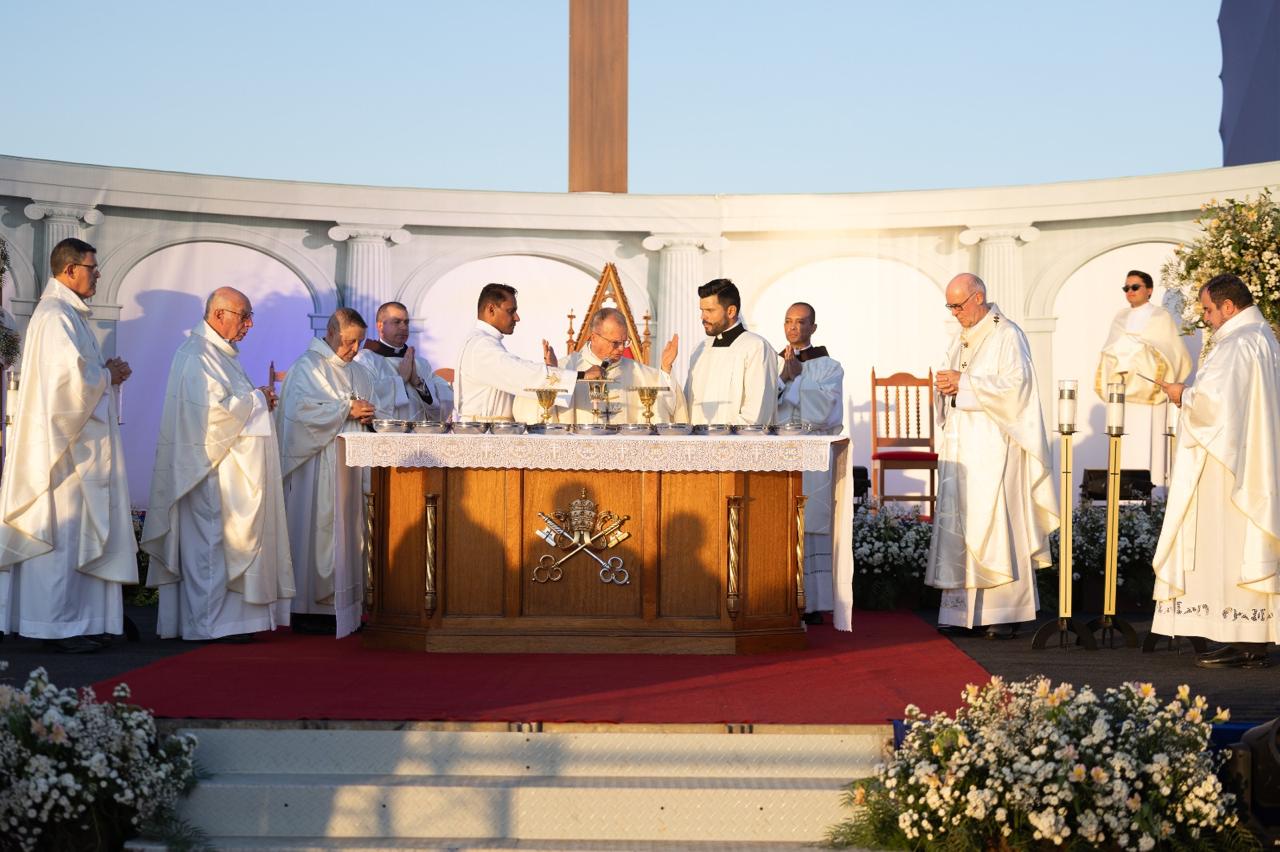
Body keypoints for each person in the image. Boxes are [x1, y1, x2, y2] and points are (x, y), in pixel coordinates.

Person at [0, 238, 137, 653]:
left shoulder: (68, 314)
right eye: (92, 268)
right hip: (61, 452)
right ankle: (55, 626)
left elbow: (77, 377)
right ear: (69, 269)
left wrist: (103, 373)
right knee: (62, 535)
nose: (98, 275)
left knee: (75, 535)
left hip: (75, 445)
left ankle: (82, 620)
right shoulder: (56, 315)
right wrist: (107, 375)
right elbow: (68, 386)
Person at [141, 287, 295, 642]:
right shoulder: (196, 355)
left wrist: (257, 400)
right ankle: (209, 625)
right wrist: (256, 400)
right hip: (207, 470)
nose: (249, 324)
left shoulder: (219, 354)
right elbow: (211, 417)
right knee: (209, 547)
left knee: (221, 546)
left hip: (226, 467)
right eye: (244, 316)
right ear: (219, 314)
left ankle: (229, 622)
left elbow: (230, 405)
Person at [1152, 274, 1279, 669]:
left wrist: (1182, 394)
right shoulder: (1263, 338)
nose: (1205, 318)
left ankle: (1245, 640)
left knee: (1229, 546)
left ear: (1228, 306)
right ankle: (1244, 637)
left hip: (1229, 466)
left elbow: (1216, 405)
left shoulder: (1239, 342)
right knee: (1237, 548)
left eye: (1208, 310)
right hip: (1247, 460)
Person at [925, 273, 1058, 639]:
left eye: (958, 305)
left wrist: (963, 384)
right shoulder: (962, 338)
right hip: (962, 445)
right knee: (963, 523)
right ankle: (961, 613)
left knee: (995, 523)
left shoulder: (1007, 334)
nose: (954, 313)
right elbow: (955, 385)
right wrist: (945, 388)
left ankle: (1003, 611)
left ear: (978, 297)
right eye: (950, 306)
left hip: (995, 445)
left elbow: (1018, 388)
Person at [277, 308, 376, 638]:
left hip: (352, 464)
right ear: (332, 333)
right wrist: (346, 409)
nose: (354, 350)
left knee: (352, 532)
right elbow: (298, 414)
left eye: (360, 342)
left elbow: (371, 408)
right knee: (318, 531)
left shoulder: (359, 371)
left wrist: (368, 415)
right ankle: (309, 609)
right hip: (317, 467)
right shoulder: (308, 367)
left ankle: (347, 607)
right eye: (349, 342)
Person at [776, 302, 845, 624]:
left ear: (813, 328)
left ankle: (813, 603)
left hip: (812, 452)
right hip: (778, 453)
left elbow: (825, 410)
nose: (794, 327)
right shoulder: (772, 362)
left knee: (812, 522)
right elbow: (761, 404)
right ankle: (778, 595)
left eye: (801, 322)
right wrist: (781, 380)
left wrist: (799, 379)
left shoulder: (830, 366)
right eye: (789, 321)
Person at [453, 283, 601, 421]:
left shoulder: (483, 342)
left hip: (491, 428)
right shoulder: (481, 345)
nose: (517, 318)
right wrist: (580, 375)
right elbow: (520, 372)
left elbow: (514, 381)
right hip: (482, 431)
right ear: (491, 309)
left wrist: (551, 370)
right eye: (511, 311)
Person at [514, 307, 686, 424]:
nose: (621, 349)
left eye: (625, 342)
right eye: (615, 343)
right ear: (594, 337)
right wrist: (552, 377)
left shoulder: (641, 374)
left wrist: (665, 369)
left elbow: (670, 407)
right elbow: (530, 411)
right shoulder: (567, 368)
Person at [685, 278, 778, 426]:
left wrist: (722, 435)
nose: (703, 317)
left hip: (735, 438)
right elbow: (688, 403)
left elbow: (757, 412)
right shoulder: (700, 349)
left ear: (731, 311)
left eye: (710, 310)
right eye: (702, 310)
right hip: (697, 438)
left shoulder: (756, 347)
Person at [1095, 269, 1191, 401]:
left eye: (1135, 287)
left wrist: (1136, 346)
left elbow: (1173, 351)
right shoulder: (1120, 316)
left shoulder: (1161, 316)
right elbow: (1110, 345)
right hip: (1119, 381)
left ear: (1149, 290)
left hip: (1146, 378)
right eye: (1126, 288)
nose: (1130, 291)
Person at [354, 301, 453, 422]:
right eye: (397, 322)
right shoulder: (365, 360)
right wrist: (400, 380)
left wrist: (418, 383)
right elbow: (364, 398)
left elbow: (446, 399)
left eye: (406, 322)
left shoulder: (421, 364)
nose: (403, 327)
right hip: (385, 432)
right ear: (380, 326)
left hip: (419, 433)